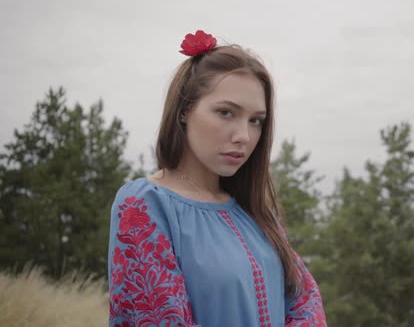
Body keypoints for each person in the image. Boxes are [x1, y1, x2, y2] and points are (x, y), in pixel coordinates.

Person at [107, 30, 327, 327]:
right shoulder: (143, 205)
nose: (244, 136)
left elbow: (305, 301)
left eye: (256, 121)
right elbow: (159, 318)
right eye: (226, 112)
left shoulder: (256, 213)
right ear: (185, 110)